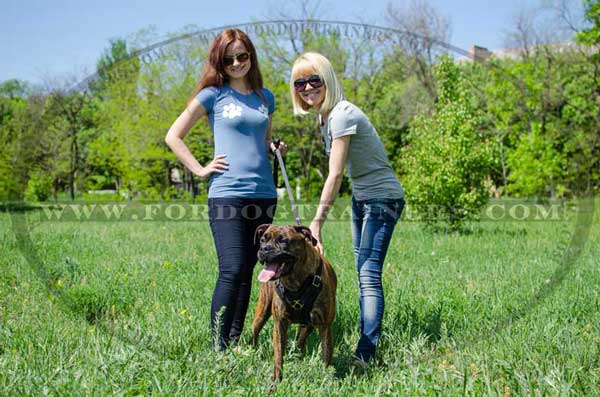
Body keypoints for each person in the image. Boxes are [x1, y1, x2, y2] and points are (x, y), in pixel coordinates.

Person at [165, 28, 284, 351]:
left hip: (263, 193)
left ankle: (233, 341)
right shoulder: (212, 95)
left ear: (251, 56)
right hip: (227, 194)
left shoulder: (266, 97)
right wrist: (200, 169)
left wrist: (274, 148)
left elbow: (261, 139)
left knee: (249, 270)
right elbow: (173, 136)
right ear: (219, 61)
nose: (236, 63)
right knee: (231, 269)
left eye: (242, 56)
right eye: (228, 59)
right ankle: (218, 347)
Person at [289, 52, 405, 365]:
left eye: (315, 80)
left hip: (383, 199)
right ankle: (365, 343)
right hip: (362, 198)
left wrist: (316, 224)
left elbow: (336, 173)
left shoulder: (342, 115)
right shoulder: (324, 117)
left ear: (327, 79)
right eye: (300, 82)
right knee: (363, 271)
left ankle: (365, 354)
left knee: (368, 274)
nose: (308, 87)